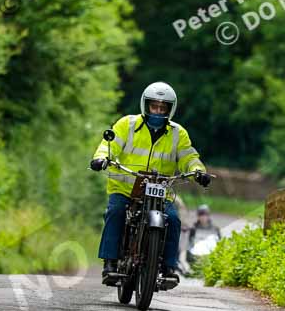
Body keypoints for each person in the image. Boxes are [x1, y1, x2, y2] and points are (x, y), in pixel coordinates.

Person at [90, 81, 211, 284]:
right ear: (145, 105)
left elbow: (189, 157)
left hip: (159, 192)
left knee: (173, 219)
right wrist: (101, 158)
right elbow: (109, 146)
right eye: (154, 106)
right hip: (125, 188)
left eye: (163, 107)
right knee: (116, 212)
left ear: (170, 110)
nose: (157, 111)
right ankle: (110, 262)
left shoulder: (178, 133)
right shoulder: (126, 124)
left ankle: (169, 267)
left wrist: (198, 172)